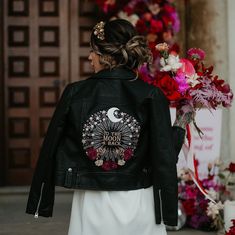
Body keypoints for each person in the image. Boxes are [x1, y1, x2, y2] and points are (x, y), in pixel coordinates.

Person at [26, 19, 193, 235]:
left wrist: (41, 199)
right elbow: (165, 157)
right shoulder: (151, 95)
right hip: (139, 202)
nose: (89, 57)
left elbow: (50, 149)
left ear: (106, 55)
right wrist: (180, 124)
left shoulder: (75, 93)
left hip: (91, 202)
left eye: (92, 51)